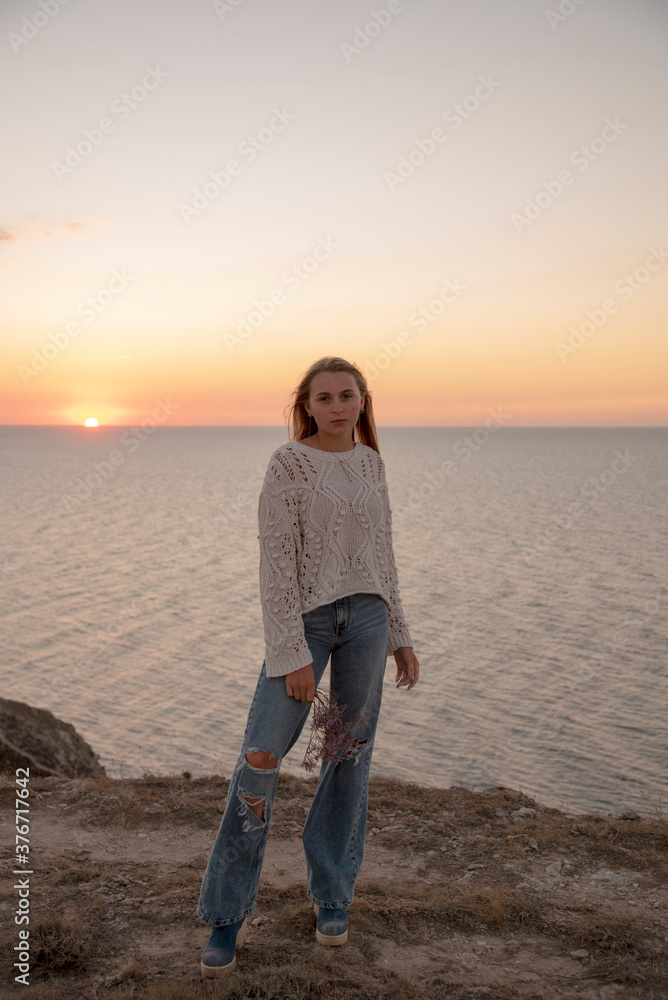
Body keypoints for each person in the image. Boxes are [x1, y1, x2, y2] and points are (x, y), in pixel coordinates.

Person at [195, 355, 420, 976]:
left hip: (370, 621)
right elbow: (275, 568)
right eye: (325, 398)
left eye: (348, 395)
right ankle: (225, 917)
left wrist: (401, 634)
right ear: (308, 405)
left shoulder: (372, 463)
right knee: (262, 757)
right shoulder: (288, 464)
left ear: (363, 401)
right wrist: (291, 652)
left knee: (348, 756)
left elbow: (384, 554)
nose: (338, 406)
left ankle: (332, 898)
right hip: (309, 626)